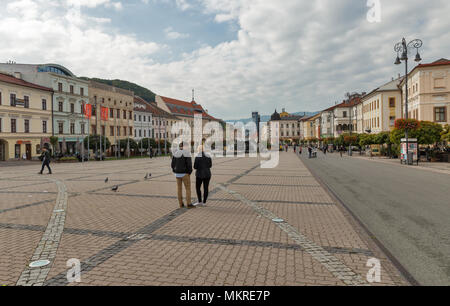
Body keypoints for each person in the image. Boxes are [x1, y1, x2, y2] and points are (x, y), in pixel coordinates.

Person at [171, 143, 195, 209]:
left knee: (179, 189)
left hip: (177, 174)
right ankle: (189, 203)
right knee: (188, 189)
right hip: (185, 174)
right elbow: (189, 165)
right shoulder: (187, 153)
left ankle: (181, 203)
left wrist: (174, 171)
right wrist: (189, 172)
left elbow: (172, 164)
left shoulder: (175, 153)